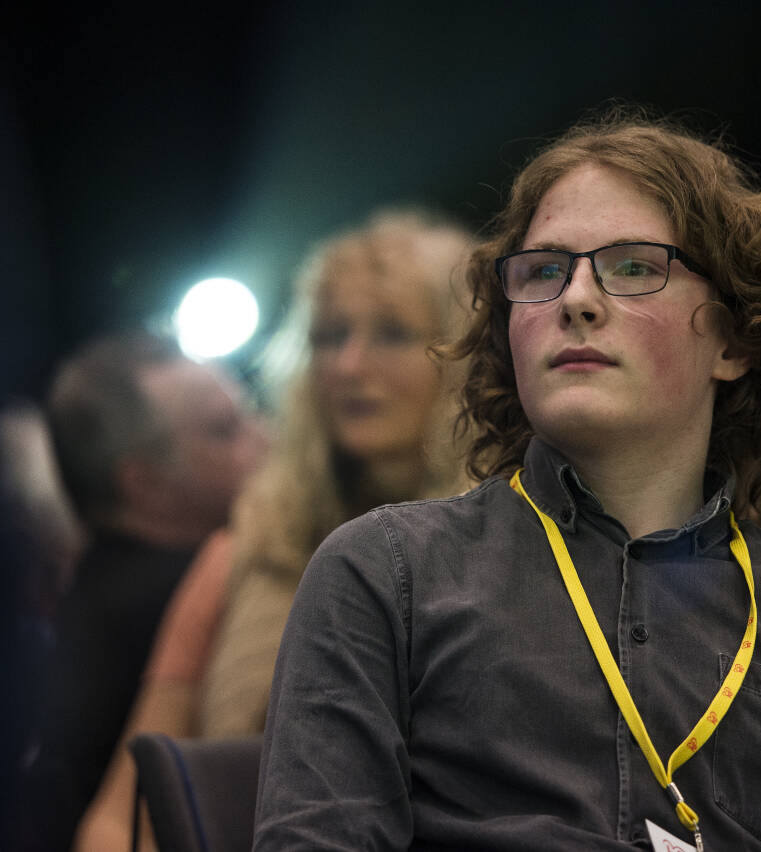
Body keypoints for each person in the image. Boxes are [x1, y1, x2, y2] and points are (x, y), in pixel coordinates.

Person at [253, 110, 761, 852]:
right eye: (544, 270)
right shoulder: (385, 573)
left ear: (737, 340)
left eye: (634, 266)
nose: (576, 297)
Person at [71, 209, 475, 851]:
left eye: (393, 334)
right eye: (328, 335)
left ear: (466, 356)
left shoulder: (510, 557)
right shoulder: (246, 547)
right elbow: (122, 810)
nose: (347, 364)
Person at [19, 330, 269, 852]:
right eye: (226, 431)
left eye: (252, 411)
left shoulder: (86, 598)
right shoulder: (210, 583)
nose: (266, 437)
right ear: (145, 483)